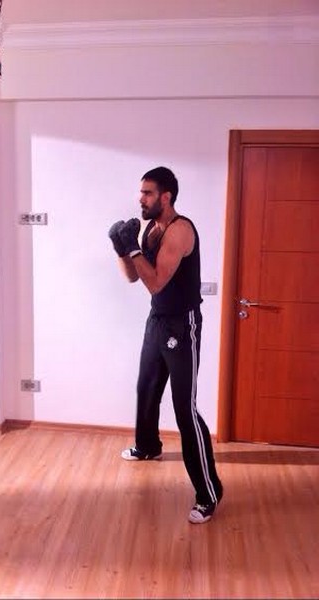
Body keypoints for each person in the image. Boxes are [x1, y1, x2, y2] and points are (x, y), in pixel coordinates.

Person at [108, 166, 223, 524]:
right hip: (157, 320)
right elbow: (133, 277)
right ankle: (148, 446)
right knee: (146, 388)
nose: (141, 199)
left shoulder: (180, 230)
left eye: (147, 193)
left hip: (182, 325)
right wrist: (122, 249)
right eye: (141, 192)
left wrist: (132, 247)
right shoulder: (152, 230)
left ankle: (209, 493)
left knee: (184, 408)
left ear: (166, 196)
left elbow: (157, 281)